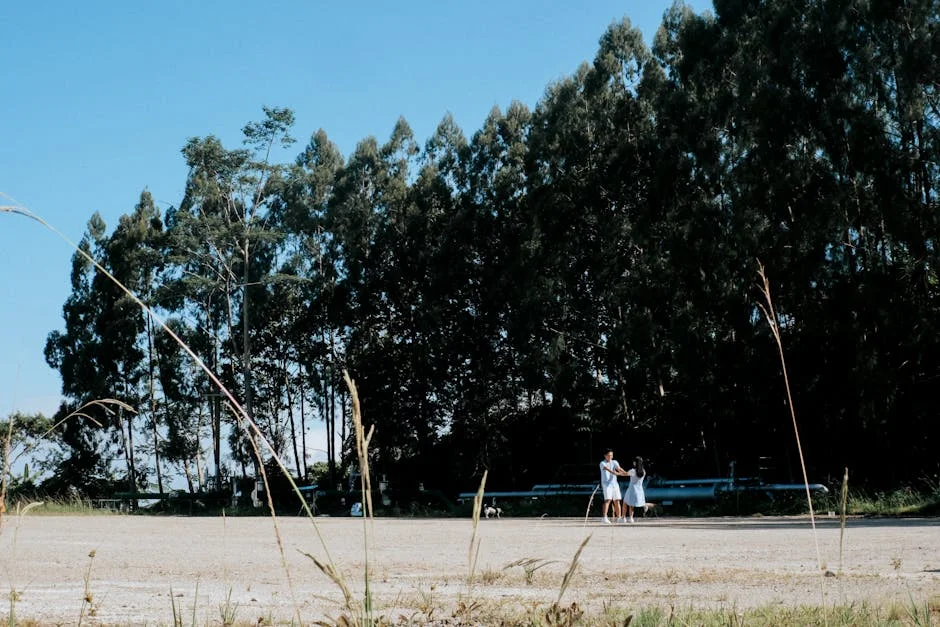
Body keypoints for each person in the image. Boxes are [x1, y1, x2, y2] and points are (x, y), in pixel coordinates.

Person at [598, 448, 627, 524]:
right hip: (606, 484)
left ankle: (619, 518)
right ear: (605, 456)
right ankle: (604, 518)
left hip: (615, 484)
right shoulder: (602, 463)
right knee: (608, 500)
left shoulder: (614, 462)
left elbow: (619, 468)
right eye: (608, 455)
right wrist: (618, 473)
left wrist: (626, 473)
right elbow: (610, 471)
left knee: (617, 500)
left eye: (611, 455)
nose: (610, 457)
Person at [623, 456, 646, 523]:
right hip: (639, 489)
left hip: (631, 489)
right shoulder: (643, 471)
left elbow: (624, 474)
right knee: (632, 504)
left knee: (625, 503)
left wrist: (616, 471)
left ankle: (623, 517)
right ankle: (631, 518)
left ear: (635, 462)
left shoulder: (632, 471)